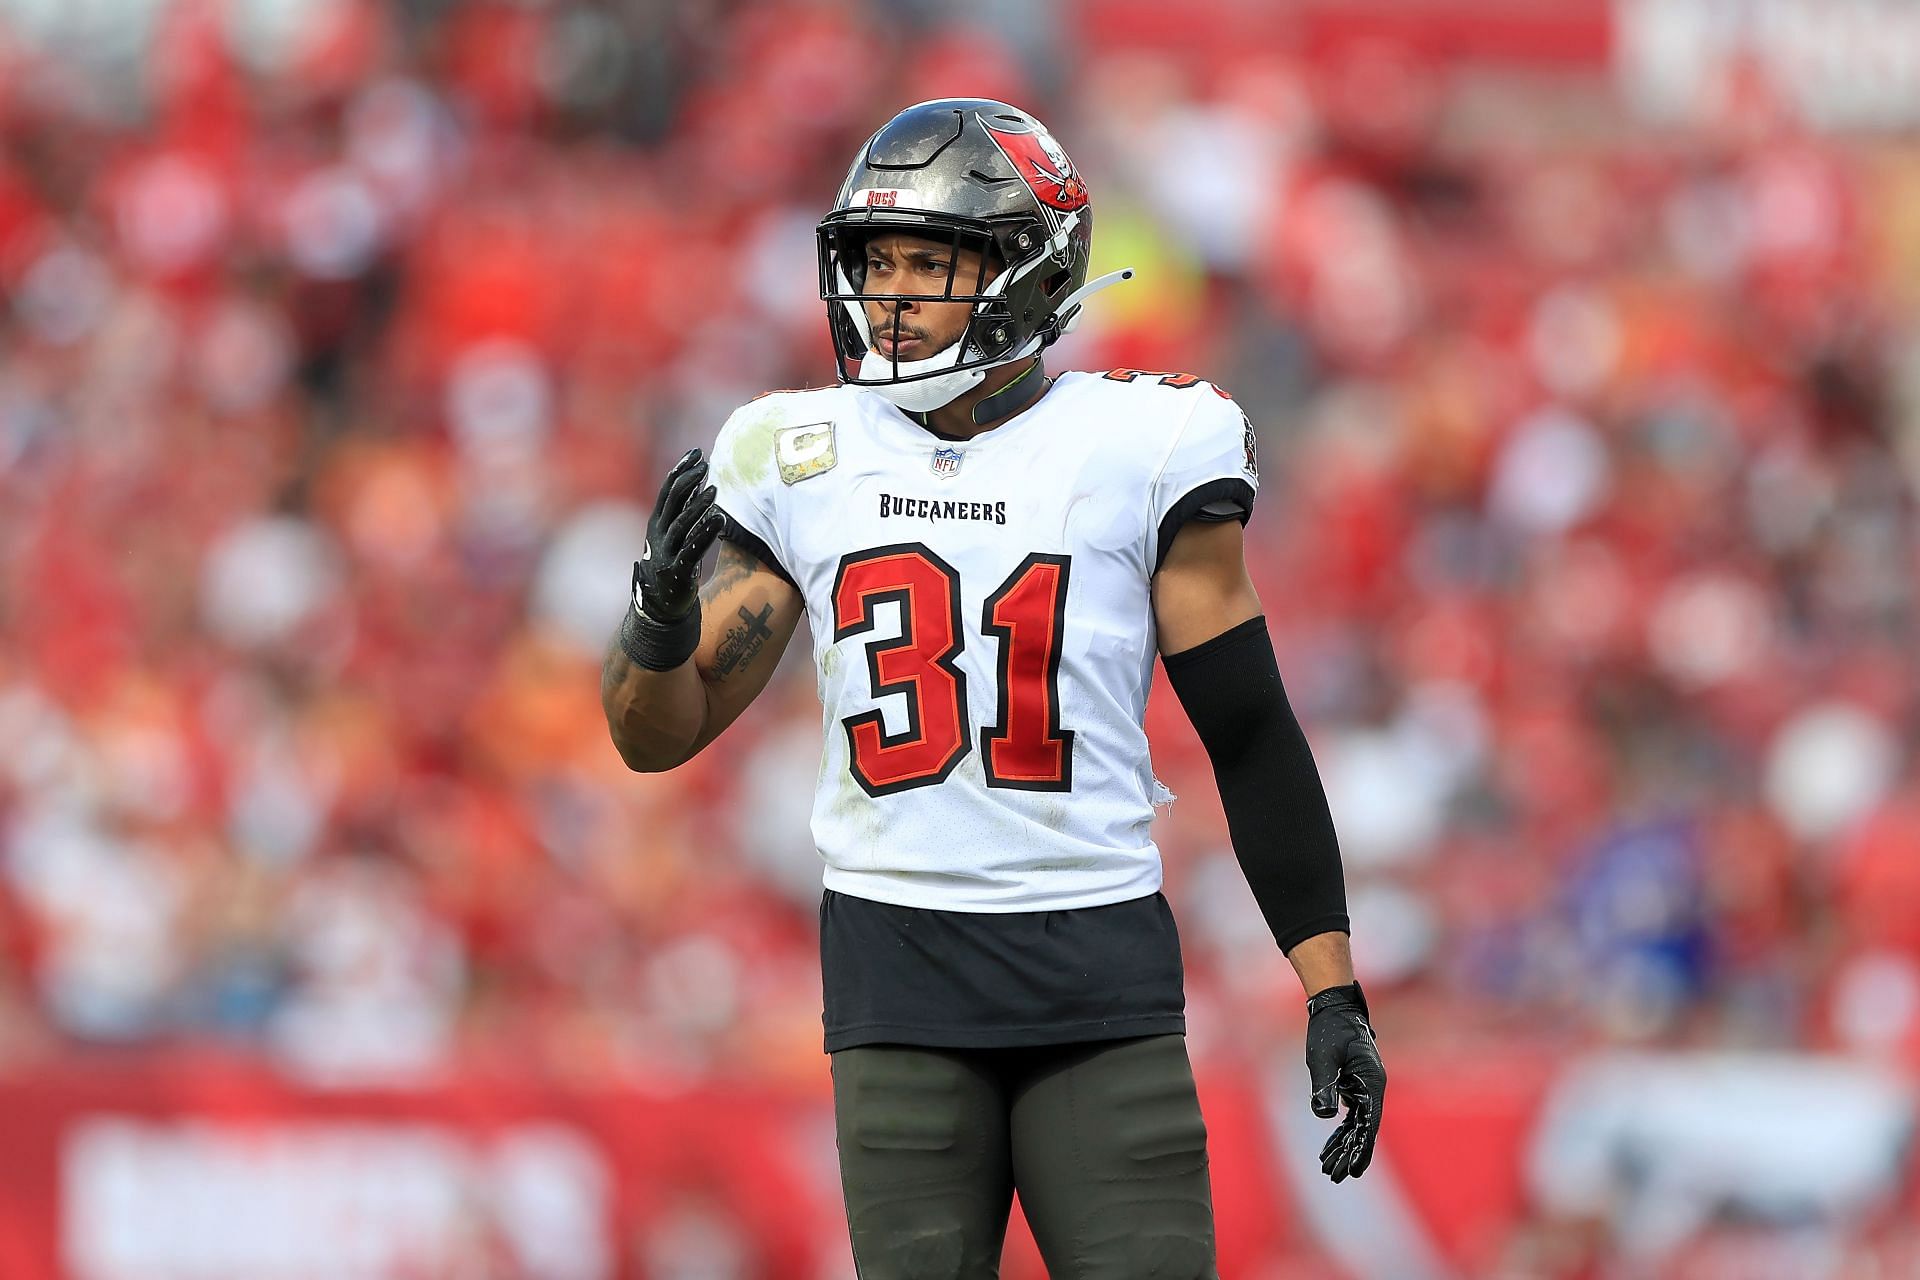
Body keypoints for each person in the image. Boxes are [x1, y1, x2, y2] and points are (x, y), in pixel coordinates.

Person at [601, 98, 1384, 1278]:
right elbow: (656, 738)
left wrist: (1333, 988)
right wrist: (658, 624)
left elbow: (1251, 730)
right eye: (879, 262)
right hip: (895, 970)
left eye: (932, 261)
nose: (895, 294)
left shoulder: (1146, 441)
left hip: (1099, 969)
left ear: (1029, 270)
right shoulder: (798, 449)